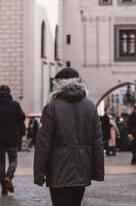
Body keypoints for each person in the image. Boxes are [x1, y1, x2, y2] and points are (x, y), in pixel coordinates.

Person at [33, 67, 104, 206]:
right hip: (82, 169)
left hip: (57, 170)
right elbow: (97, 141)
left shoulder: (52, 107)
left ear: (59, 84)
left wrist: (39, 174)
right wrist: (98, 171)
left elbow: (44, 143)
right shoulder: (90, 106)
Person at [0, 84, 26, 195]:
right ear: (9, 92)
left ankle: (3, 188)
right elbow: (22, 118)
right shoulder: (15, 105)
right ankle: (9, 176)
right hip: (13, 138)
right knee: (13, 160)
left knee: (1, 164)